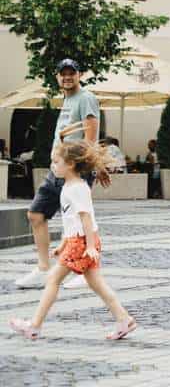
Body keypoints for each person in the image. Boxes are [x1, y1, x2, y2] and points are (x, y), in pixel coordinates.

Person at [8, 140, 136, 340]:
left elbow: (86, 218)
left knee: (53, 279)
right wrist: (63, 245)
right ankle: (124, 319)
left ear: (70, 164)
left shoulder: (76, 188)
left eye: (56, 162)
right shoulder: (70, 186)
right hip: (78, 241)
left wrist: (90, 246)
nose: (53, 166)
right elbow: (72, 221)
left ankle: (34, 326)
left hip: (82, 243)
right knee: (96, 284)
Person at [16, 59, 109, 290]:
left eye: (71, 73)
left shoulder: (86, 98)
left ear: (79, 75)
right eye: (63, 74)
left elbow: (90, 136)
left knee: (81, 220)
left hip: (76, 169)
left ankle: (86, 269)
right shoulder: (68, 99)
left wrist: (93, 166)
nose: (67, 77)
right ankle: (43, 268)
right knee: (36, 214)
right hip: (57, 169)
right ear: (57, 77)